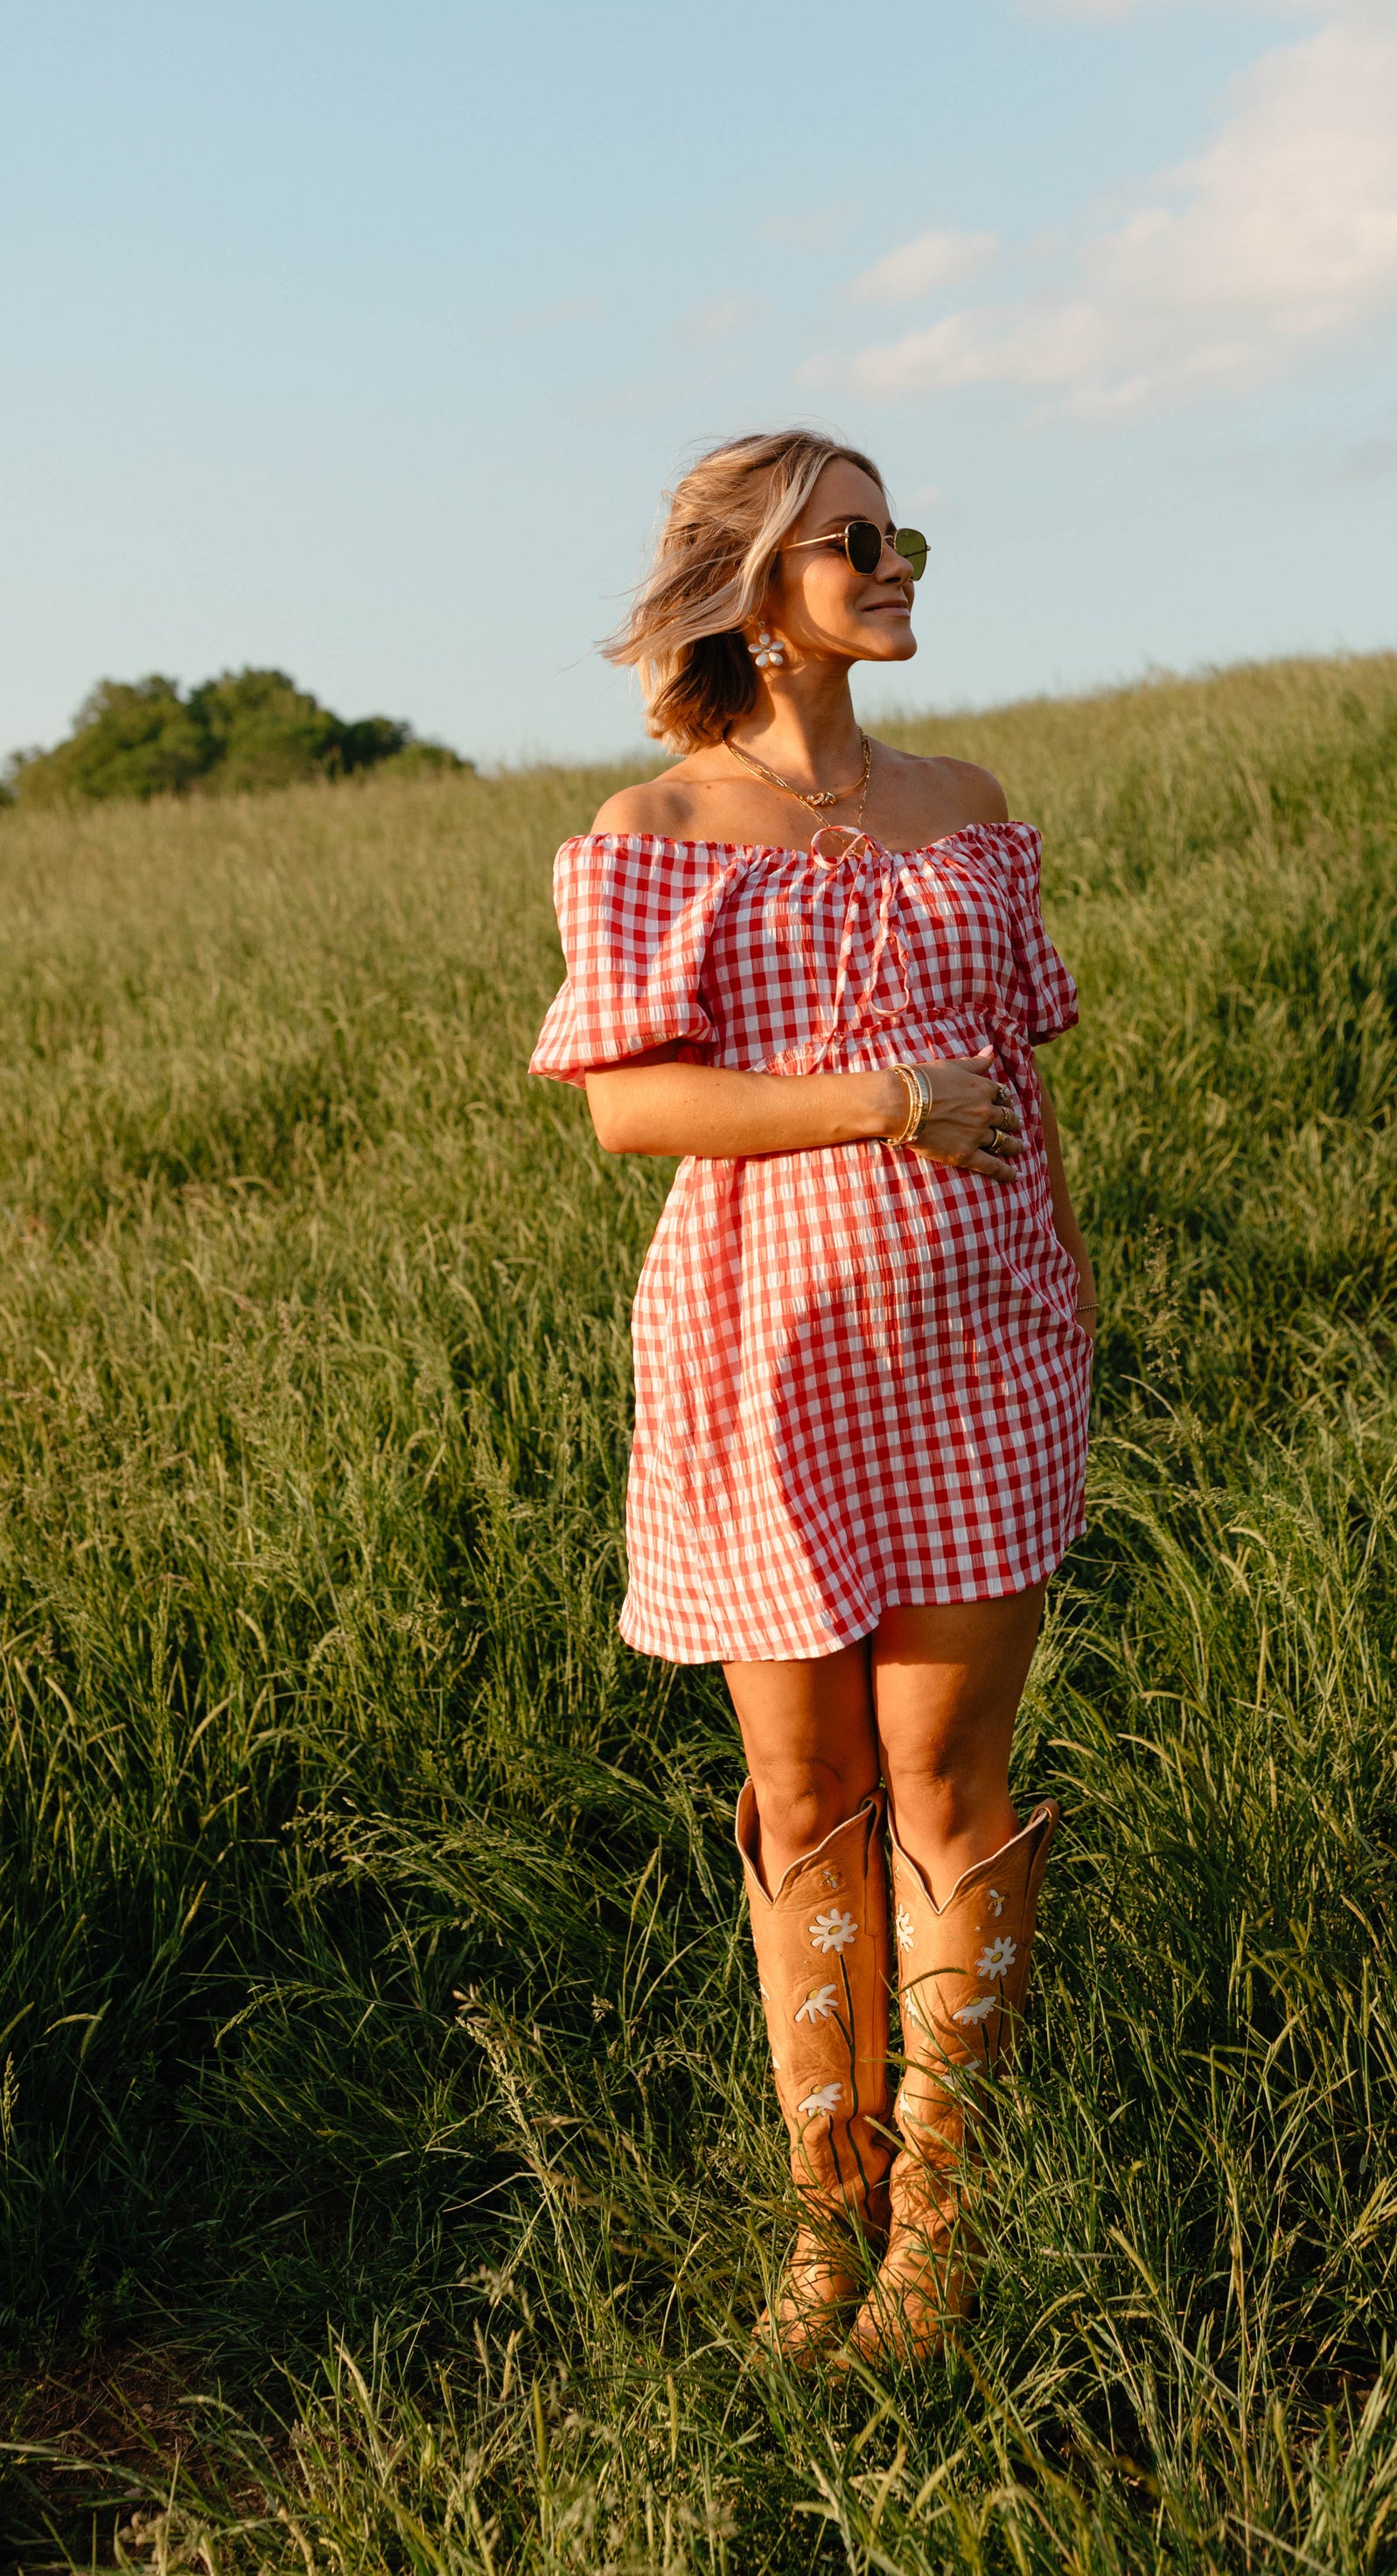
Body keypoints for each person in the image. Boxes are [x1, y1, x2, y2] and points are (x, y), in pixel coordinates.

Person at [527, 428, 1096, 2367]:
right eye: (854, 540)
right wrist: (877, 1100)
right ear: (758, 592)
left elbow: (1024, 1079)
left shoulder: (966, 800)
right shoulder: (660, 824)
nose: (894, 561)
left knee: (950, 1785)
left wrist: (1070, 1286)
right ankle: (821, 2230)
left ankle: (936, 2238)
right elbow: (627, 1107)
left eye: (898, 531)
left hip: (982, 1353)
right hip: (762, 1365)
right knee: (803, 1789)